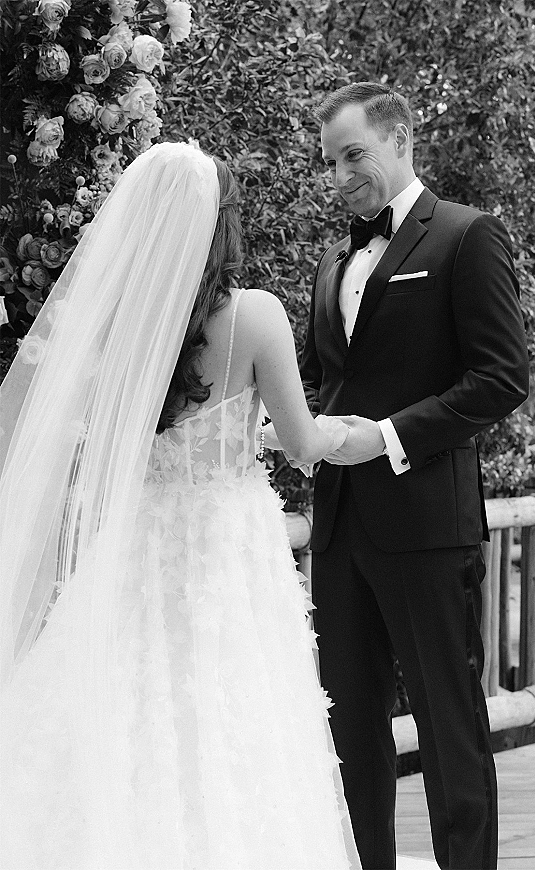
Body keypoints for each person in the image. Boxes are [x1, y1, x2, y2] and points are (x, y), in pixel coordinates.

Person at [0, 143, 363, 869]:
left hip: (138, 533)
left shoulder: (114, 327)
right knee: (233, 705)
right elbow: (303, 441)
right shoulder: (256, 315)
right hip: (228, 544)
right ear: (221, 224)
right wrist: (365, 435)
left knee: (126, 691)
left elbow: (72, 436)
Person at [298, 82, 529, 870]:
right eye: (330, 162)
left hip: (429, 529)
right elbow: (320, 381)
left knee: (449, 727)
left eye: (353, 155)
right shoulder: (333, 257)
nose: (340, 176)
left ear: (399, 138)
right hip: (337, 531)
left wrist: (389, 436)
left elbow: (501, 378)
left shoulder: (467, 237)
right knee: (352, 733)